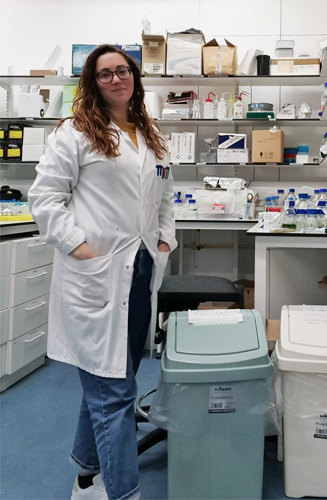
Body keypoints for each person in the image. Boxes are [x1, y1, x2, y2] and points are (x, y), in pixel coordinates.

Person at [28, 44, 177, 500]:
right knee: (114, 395)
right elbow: (45, 199)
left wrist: (166, 240)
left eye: (122, 70)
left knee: (114, 377)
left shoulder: (152, 136)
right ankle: (122, 492)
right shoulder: (74, 133)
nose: (115, 78)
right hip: (97, 275)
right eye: (104, 73)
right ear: (92, 83)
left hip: (141, 271)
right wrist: (82, 248)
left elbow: (165, 200)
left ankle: (86, 476)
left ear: (134, 76)